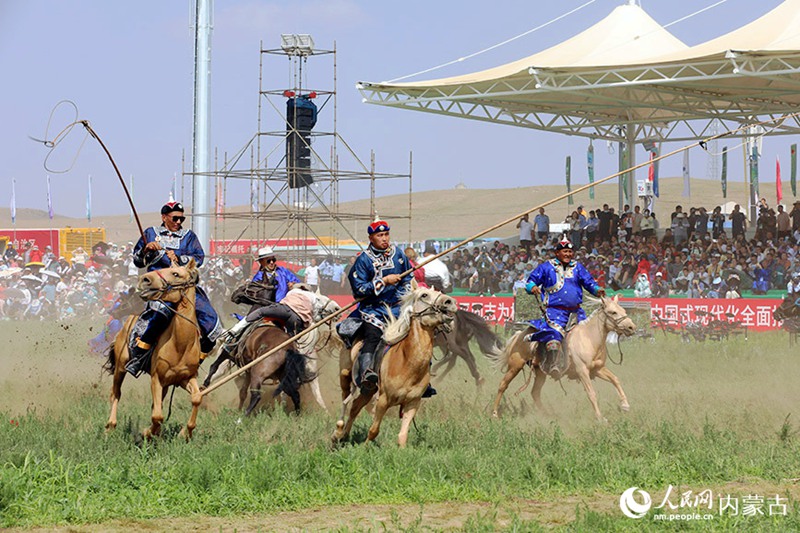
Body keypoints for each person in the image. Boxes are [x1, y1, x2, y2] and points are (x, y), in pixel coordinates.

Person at [125, 201, 223, 377]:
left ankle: (197, 360)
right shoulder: (150, 233)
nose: (179, 222)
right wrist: (146, 249)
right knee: (161, 314)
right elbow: (137, 260)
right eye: (175, 218)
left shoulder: (189, 236)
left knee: (212, 323)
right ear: (164, 217)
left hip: (184, 287)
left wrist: (178, 257)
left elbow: (198, 258)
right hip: (160, 289)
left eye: (181, 218)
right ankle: (139, 357)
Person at [342, 220, 415, 395]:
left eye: (386, 234)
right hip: (373, 309)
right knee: (373, 338)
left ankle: (421, 378)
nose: (384, 238)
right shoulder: (363, 260)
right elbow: (359, 289)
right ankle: (367, 373)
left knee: (416, 336)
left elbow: (408, 278)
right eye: (380, 235)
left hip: (397, 308)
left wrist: (405, 293)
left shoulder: (398, 254)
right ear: (371, 238)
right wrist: (383, 281)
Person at [523, 238, 605, 379]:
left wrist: (597, 290)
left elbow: (589, 282)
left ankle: (587, 365)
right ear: (557, 253)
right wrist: (533, 287)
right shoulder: (546, 267)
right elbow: (530, 281)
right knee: (555, 335)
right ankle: (554, 364)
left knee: (588, 336)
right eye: (565, 251)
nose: (568, 254)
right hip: (555, 312)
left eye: (570, 251)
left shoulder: (578, 267)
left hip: (576, 312)